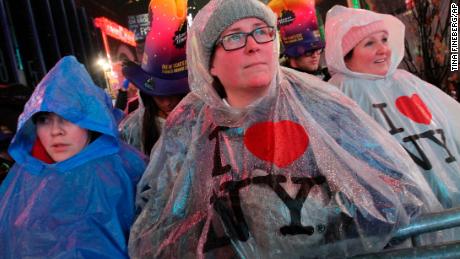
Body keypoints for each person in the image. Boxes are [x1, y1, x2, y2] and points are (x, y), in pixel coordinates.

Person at [128, 0, 441, 258]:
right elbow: (163, 224)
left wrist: (333, 226)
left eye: (261, 32)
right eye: (234, 37)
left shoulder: (324, 106)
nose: (252, 46)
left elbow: (398, 190)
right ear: (208, 62)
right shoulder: (187, 129)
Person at [0, 56, 146, 258]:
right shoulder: (21, 179)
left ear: (91, 120)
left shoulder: (127, 170)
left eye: (68, 117)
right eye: (44, 120)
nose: (55, 131)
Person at [325, 5, 460, 209]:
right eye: (369, 43)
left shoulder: (407, 81)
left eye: (384, 40)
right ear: (347, 55)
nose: (383, 49)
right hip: (404, 216)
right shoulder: (339, 92)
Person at [119, 0, 189, 156]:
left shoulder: (203, 120)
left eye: (173, 93)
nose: (166, 102)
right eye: (159, 95)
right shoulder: (133, 129)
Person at [268, 0, 330, 81]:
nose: (315, 55)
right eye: (309, 51)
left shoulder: (327, 77)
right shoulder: (286, 87)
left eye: (318, 49)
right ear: (292, 55)